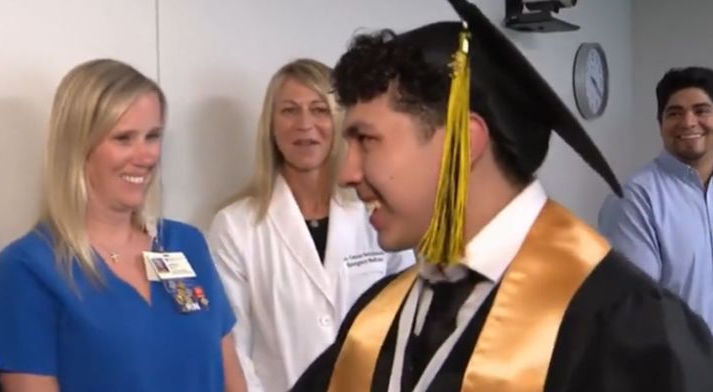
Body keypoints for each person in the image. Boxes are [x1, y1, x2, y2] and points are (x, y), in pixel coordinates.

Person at [291, 1, 713, 391]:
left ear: (465, 143)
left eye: (366, 139)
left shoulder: (626, 327)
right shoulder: (377, 318)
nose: (347, 173)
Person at [0, 59, 246, 392]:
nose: (145, 156)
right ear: (78, 147)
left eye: (152, 136)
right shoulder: (28, 270)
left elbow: (233, 381)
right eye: (124, 138)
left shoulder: (186, 245)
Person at [208, 58, 414, 392]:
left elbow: (405, 320)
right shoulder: (235, 226)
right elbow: (233, 348)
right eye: (289, 111)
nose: (305, 124)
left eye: (319, 109)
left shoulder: (377, 214)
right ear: (271, 126)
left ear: (339, 120)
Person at [598, 66, 713, 332]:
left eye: (701, 110)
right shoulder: (634, 198)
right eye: (674, 113)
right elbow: (635, 309)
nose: (688, 122)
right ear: (660, 124)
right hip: (678, 368)